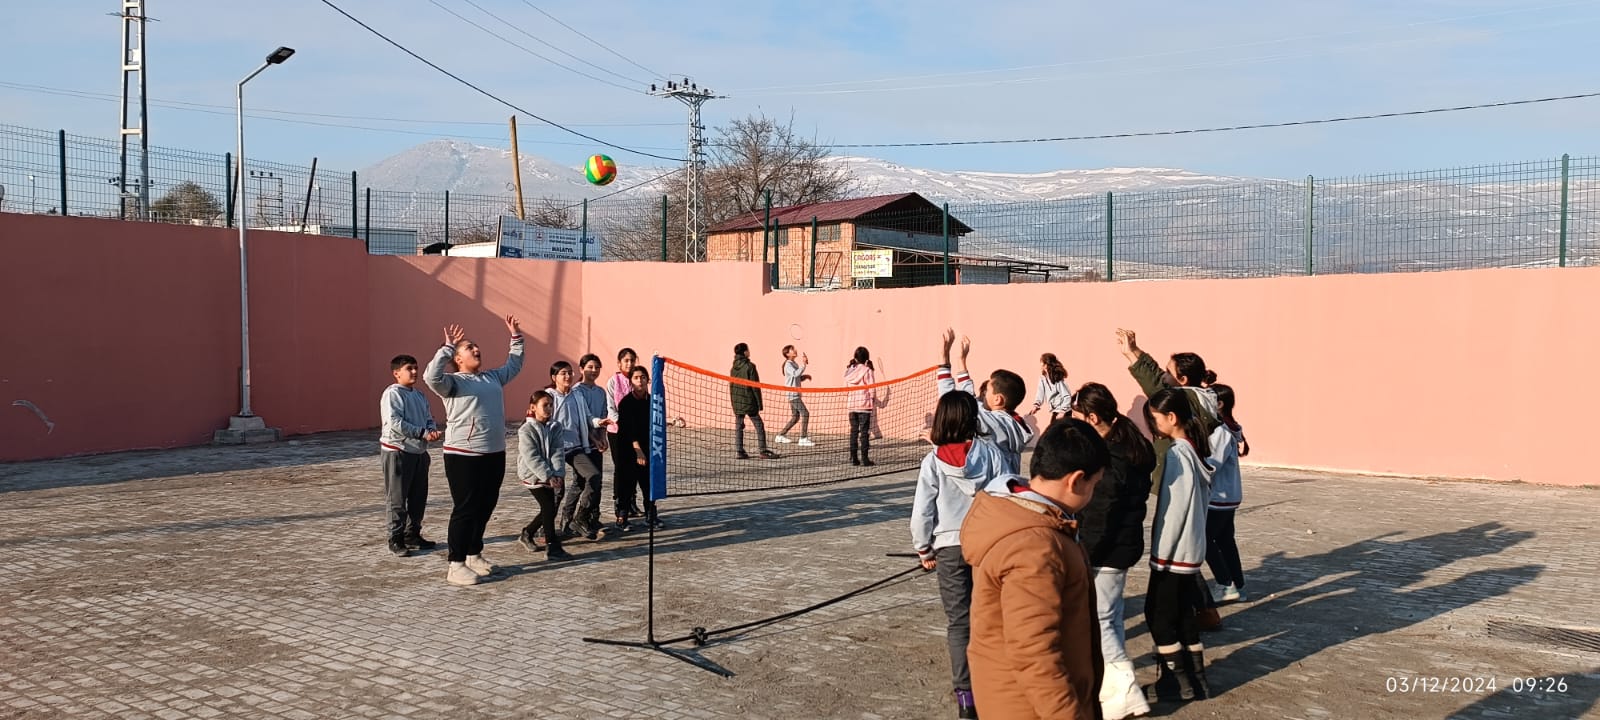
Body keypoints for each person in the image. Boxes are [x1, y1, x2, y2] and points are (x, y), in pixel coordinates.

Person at [961, 418, 1111, 720]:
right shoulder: (1036, 546)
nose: (1093, 493)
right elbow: (1033, 650)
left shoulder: (1028, 517)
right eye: (1094, 485)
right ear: (1076, 480)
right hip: (1030, 707)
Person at [911, 391, 1007, 720]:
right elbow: (1006, 498)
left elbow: (922, 513)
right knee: (991, 617)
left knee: (959, 622)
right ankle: (994, 684)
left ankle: (966, 697)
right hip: (988, 546)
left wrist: (924, 548)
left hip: (949, 548)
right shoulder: (992, 454)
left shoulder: (932, 461)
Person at [1070, 382, 1156, 720]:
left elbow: (1099, 516)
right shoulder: (1130, 442)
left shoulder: (1111, 459)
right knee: (1111, 619)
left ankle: (1127, 694)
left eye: (1078, 417)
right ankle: (1111, 690)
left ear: (1092, 418)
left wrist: (1084, 555)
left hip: (1106, 551)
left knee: (1103, 622)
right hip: (1123, 546)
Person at [424, 316, 525, 587]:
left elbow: (514, 365)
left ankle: (473, 554)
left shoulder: (492, 377)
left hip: (494, 452)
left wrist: (516, 337)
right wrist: (446, 348)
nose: (476, 350)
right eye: (470, 348)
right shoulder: (451, 383)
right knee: (466, 508)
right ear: (458, 358)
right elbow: (430, 377)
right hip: (463, 455)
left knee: (486, 505)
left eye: (477, 347)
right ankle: (456, 564)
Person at [1141, 387, 1215, 704]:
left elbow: (1174, 510)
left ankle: (1176, 681)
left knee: (1158, 614)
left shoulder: (1177, 454)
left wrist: (1161, 555)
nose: (1153, 425)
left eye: (1155, 418)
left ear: (1171, 418)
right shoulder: (1194, 451)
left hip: (1174, 553)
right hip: (1190, 550)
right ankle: (1197, 681)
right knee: (1183, 614)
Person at [937, 329, 1033, 474]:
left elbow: (954, 405)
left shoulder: (994, 422)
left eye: (986, 390)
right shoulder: (1012, 422)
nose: (982, 394)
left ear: (998, 399)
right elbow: (968, 400)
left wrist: (943, 360)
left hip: (990, 485)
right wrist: (961, 361)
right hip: (1005, 484)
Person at [378, 354, 442, 557]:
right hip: (398, 451)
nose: (414, 372)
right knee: (397, 498)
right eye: (409, 368)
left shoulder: (420, 395)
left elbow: (428, 418)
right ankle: (395, 538)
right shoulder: (392, 394)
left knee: (418, 497)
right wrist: (422, 433)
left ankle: (412, 534)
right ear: (396, 373)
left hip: (419, 452)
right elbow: (395, 423)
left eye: (415, 368)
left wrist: (431, 431)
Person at [547, 361, 608, 541]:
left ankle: (578, 518)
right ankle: (544, 526)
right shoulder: (549, 396)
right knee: (557, 490)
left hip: (575, 447)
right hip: (555, 449)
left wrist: (598, 423)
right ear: (554, 377)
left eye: (569, 373)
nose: (567, 376)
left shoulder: (577, 395)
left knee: (592, 476)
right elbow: (540, 419)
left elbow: (587, 418)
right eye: (563, 373)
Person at [516, 392, 572, 561]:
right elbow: (531, 456)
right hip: (532, 474)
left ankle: (528, 533)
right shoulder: (526, 430)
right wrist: (547, 475)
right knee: (548, 506)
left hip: (550, 474)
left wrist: (558, 474)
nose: (549, 408)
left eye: (551, 405)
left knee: (549, 508)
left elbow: (557, 452)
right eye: (544, 405)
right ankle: (552, 547)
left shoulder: (555, 427)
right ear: (533, 407)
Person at [1205, 383, 1247, 604]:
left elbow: (1212, 465)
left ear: (1219, 404)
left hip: (1218, 497)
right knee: (1224, 540)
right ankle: (1238, 585)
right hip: (1226, 496)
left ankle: (1225, 583)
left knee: (1203, 540)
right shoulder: (1225, 429)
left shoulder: (1220, 432)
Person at [616, 365, 661, 530]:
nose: (640, 380)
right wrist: (638, 451)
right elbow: (629, 430)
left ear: (648, 380)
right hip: (628, 448)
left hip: (648, 446)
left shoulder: (653, 401)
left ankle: (651, 515)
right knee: (627, 483)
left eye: (643, 377)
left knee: (648, 483)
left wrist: (671, 421)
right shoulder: (626, 403)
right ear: (630, 382)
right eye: (636, 378)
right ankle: (622, 517)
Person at [606, 348, 645, 523]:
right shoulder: (613, 381)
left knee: (636, 467)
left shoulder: (637, 379)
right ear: (619, 363)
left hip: (636, 433)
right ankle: (620, 504)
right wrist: (623, 424)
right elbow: (610, 408)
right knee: (621, 468)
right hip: (617, 432)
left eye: (632, 360)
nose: (629, 364)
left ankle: (632, 503)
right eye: (626, 360)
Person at [575, 354, 614, 534]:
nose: (594, 370)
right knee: (582, 482)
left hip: (597, 444)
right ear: (581, 369)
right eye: (590, 367)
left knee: (597, 481)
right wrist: (594, 438)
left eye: (597, 367)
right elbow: (582, 419)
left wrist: (603, 437)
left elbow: (604, 415)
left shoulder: (600, 392)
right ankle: (573, 519)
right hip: (581, 444)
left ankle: (593, 517)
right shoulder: (577, 391)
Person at [730, 342, 779, 460]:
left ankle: (739, 451)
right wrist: (759, 403)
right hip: (749, 400)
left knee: (739, 426)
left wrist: (733, 402)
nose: (749, 351)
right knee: (759, 424)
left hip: (737, 400)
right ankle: (763, 450)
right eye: (748, 349)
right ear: (745, 352)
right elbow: (755, 387)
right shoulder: (750, 366)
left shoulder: (733, 368)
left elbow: (731, 385)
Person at [774, 345, 814, 447]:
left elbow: (797, 378)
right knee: (805, 413)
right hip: (793, 394)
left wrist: (805, 377)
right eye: (792, 349)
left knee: (795, 417)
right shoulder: (788, 364)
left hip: (795, 394)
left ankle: (780, 435)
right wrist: (804, 364)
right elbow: (795, 374)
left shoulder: (793, 363)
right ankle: (803, 438)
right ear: (787, 354)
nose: (795, 350)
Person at [844, 346, 877, 466]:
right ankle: (865, 459)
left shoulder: (849, 370)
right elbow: (872, 388)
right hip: (864, 406)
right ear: (866, 358)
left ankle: (854, 458)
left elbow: (846, 388)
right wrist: (872, 399)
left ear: (856, 357)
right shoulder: (867, 370)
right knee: (864, 433)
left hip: (852, 406)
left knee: (854, 432)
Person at [1031, 353, 1073, 422]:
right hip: (1056, 410)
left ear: (1046, 364)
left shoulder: (1057, 378)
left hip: (1064, 411)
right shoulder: (1042, 378)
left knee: (1055, 428)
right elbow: (1040, 393)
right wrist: (1036, 405)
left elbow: (1067, 396)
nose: (1040, 364)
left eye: (1041, 362)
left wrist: (1062, 412)